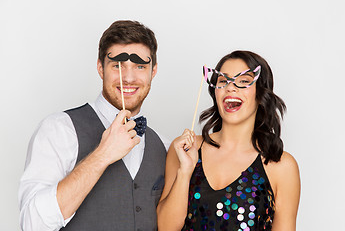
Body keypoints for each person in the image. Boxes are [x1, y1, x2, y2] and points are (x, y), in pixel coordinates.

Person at [19, 20, 170, 231]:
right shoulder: (60, 130)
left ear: (153, 71)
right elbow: (32, 224)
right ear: (100, 68)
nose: (128, 77)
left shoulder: (163, 146)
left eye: (140, 66)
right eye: (117, 65)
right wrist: (102, 155)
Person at [157, 50, 300, 231]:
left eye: (244, 81)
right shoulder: (185, 148)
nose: (230, 88)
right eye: (223, 81)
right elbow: (165, 228)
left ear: (260, 93)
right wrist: (185, 171)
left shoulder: (281, 166)